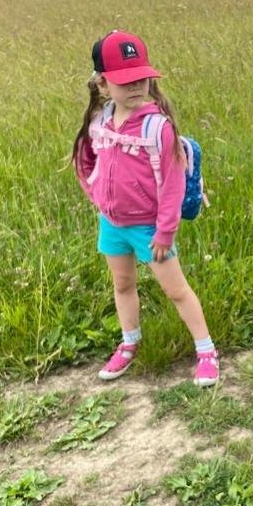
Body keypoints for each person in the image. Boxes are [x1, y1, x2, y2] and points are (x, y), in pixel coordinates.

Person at [72, 29, 219, 387]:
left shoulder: (158, 127)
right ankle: (129, 343)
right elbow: (83, 160)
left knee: (176, 290)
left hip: (150, 229)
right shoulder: (99, 122)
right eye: (125, 81)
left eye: (141, 78)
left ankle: (206, 351)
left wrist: (166, 231)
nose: (136, 86)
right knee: (123, 284)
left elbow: (172, 182)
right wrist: (96, 195)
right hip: (112, 224)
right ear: (103, 83)